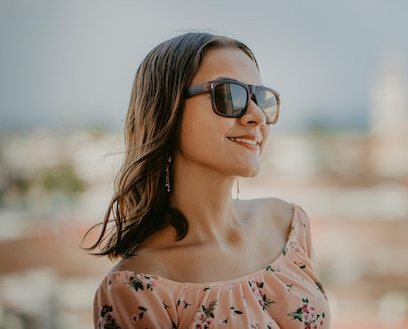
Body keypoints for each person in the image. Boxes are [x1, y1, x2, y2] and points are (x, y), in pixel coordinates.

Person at [85, 32, 329, 328]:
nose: (256, 116)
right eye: (229, 95)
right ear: (167, 111)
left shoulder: (288, 223)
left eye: (260, 99)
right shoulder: (136, 289)